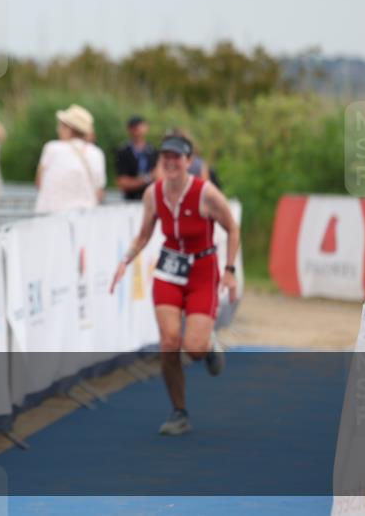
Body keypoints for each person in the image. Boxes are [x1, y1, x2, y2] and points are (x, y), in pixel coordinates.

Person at [110, 134, 240, 436]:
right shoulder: (153, 194)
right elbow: (144, 234)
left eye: (176, 157)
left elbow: (232, 228)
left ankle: (206, 348)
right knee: (169, 343)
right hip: (169, 270)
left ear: (188, 161)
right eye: (164, 157)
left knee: (192, 348)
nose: (170, 162)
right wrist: (124, 261)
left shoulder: (206, 193)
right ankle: (179, 411)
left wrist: (229, 270)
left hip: (202, 271)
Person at [34, 104, 106, 213]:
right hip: (85, 217)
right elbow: (99, 192)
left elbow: (39, 183)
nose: (57, 129)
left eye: (60, 126)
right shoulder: (97, 153)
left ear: (68, 129)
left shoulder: (52, 148)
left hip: (50, 217)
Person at [115, 115, 159, 201]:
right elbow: (122, 183)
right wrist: (148, 178)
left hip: (151, 198)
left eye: (140, 126)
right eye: (134, 127)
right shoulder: (123, 152)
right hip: (130, 199)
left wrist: (134, 182)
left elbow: (159, 178)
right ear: (129, 129)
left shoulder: (153, 151)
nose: (137, 130)